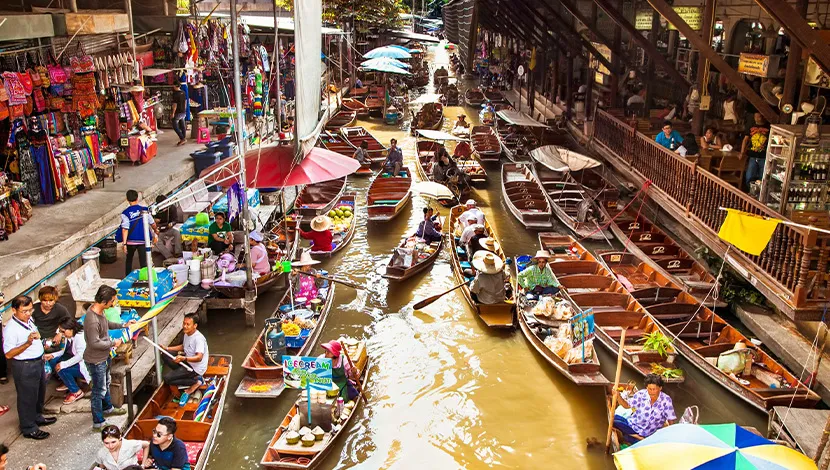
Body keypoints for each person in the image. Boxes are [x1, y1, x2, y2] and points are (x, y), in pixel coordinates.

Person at [3, 296, 56, 439]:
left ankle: (37, 416)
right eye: (24, 311)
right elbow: (8, 354)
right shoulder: (11, 329)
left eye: (30, 310)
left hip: (38, 361)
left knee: (39, 392)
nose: (28, 313)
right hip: (25, 365)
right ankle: (28, 427)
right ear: (14, 310)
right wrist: (27, 344)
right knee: (27, 396)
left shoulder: (29, 320)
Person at [84, 286, 130, 430]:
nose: (113, 303)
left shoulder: (100, 312)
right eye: (112, 301)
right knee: (98, 390)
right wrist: (113, 343)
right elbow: (94, 342)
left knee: (106, 382)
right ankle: (98, 422)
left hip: (105, 357)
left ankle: (108, 408)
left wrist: (123, 325)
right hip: (96, 360)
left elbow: (107, 324)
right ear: (104, 301)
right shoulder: (92, 320)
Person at [613, 374, 677, 443]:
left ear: (660, 388)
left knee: (629, 439)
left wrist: (671, 435)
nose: (652, 392)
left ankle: (635, 437)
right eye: (650, 389)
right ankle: (636, 436)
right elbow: (626, 405)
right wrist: (618, 396)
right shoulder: (641, 394)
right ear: (646, 387)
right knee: (613, 420)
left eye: (654, 389)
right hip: (633, 426)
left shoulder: (666, 400)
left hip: (649, 434)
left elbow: (671, 420)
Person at [163, 313, 208, 407]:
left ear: (195, 326)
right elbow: (184, 346)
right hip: (187, 362)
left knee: (167, 379)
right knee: (166, 355)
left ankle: (196, 381)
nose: (184, 326)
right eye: (184, 323)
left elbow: (199, 357)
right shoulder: (187, 334)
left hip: (195, 368)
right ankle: (180, 375)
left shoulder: (198, 339)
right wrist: (167, 348)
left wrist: (184, 358)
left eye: (188, 324)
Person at [47, 317, 89, 404]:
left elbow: (81, 355)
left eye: (63, 331)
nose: (61, 334)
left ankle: (76, 391)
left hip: (86, 365)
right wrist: (52, 355)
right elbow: (63, 351)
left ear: (71, 329)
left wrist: (63, 364)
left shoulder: (80, 337)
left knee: (61, 369)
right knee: (53, 361)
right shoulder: (69, 335)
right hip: (74, 358)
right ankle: (67, 381)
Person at [121, 190, 157, 277]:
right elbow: (152, 223)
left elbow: (125, 229)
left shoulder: (125, 213)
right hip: (143, 241)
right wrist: (155, 231)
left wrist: (124, 244)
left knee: (129, 260)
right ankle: (145, 278)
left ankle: (127, 277)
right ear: (137, 198)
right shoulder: (145, 210)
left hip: (130, 241)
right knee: (144, 262)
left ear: (127, 199)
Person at [31, 286, 70, 352]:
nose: (48, 304)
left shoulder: (60, 309)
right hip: (38, 337)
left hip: (54, 337)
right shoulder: (34, 309)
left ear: (55, 300)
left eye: (51, 300)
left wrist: (60, 333)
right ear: (40, 300)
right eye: (45, 301)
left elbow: (68, 321)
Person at [741, 112, 770, 188]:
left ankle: (759, 192)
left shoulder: (768, 127)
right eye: (755, 116)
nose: (756, 118)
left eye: (758, 117)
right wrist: (742, 152)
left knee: (762, 176)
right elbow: (745, 140)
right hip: (752, 156)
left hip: (764, 156)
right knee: (749, 175)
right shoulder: (751, 127)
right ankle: (749, 190)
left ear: (763, 117)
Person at [153, 194, 181, 260]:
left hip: (169, 228)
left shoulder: (172, 208)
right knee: (156, 241)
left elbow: (175, 220)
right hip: (159, 230)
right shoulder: (155, 210)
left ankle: (178, 252)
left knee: (177, 233)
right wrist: (154, 221)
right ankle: (169, 256)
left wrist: (172, 223)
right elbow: (151, 220)